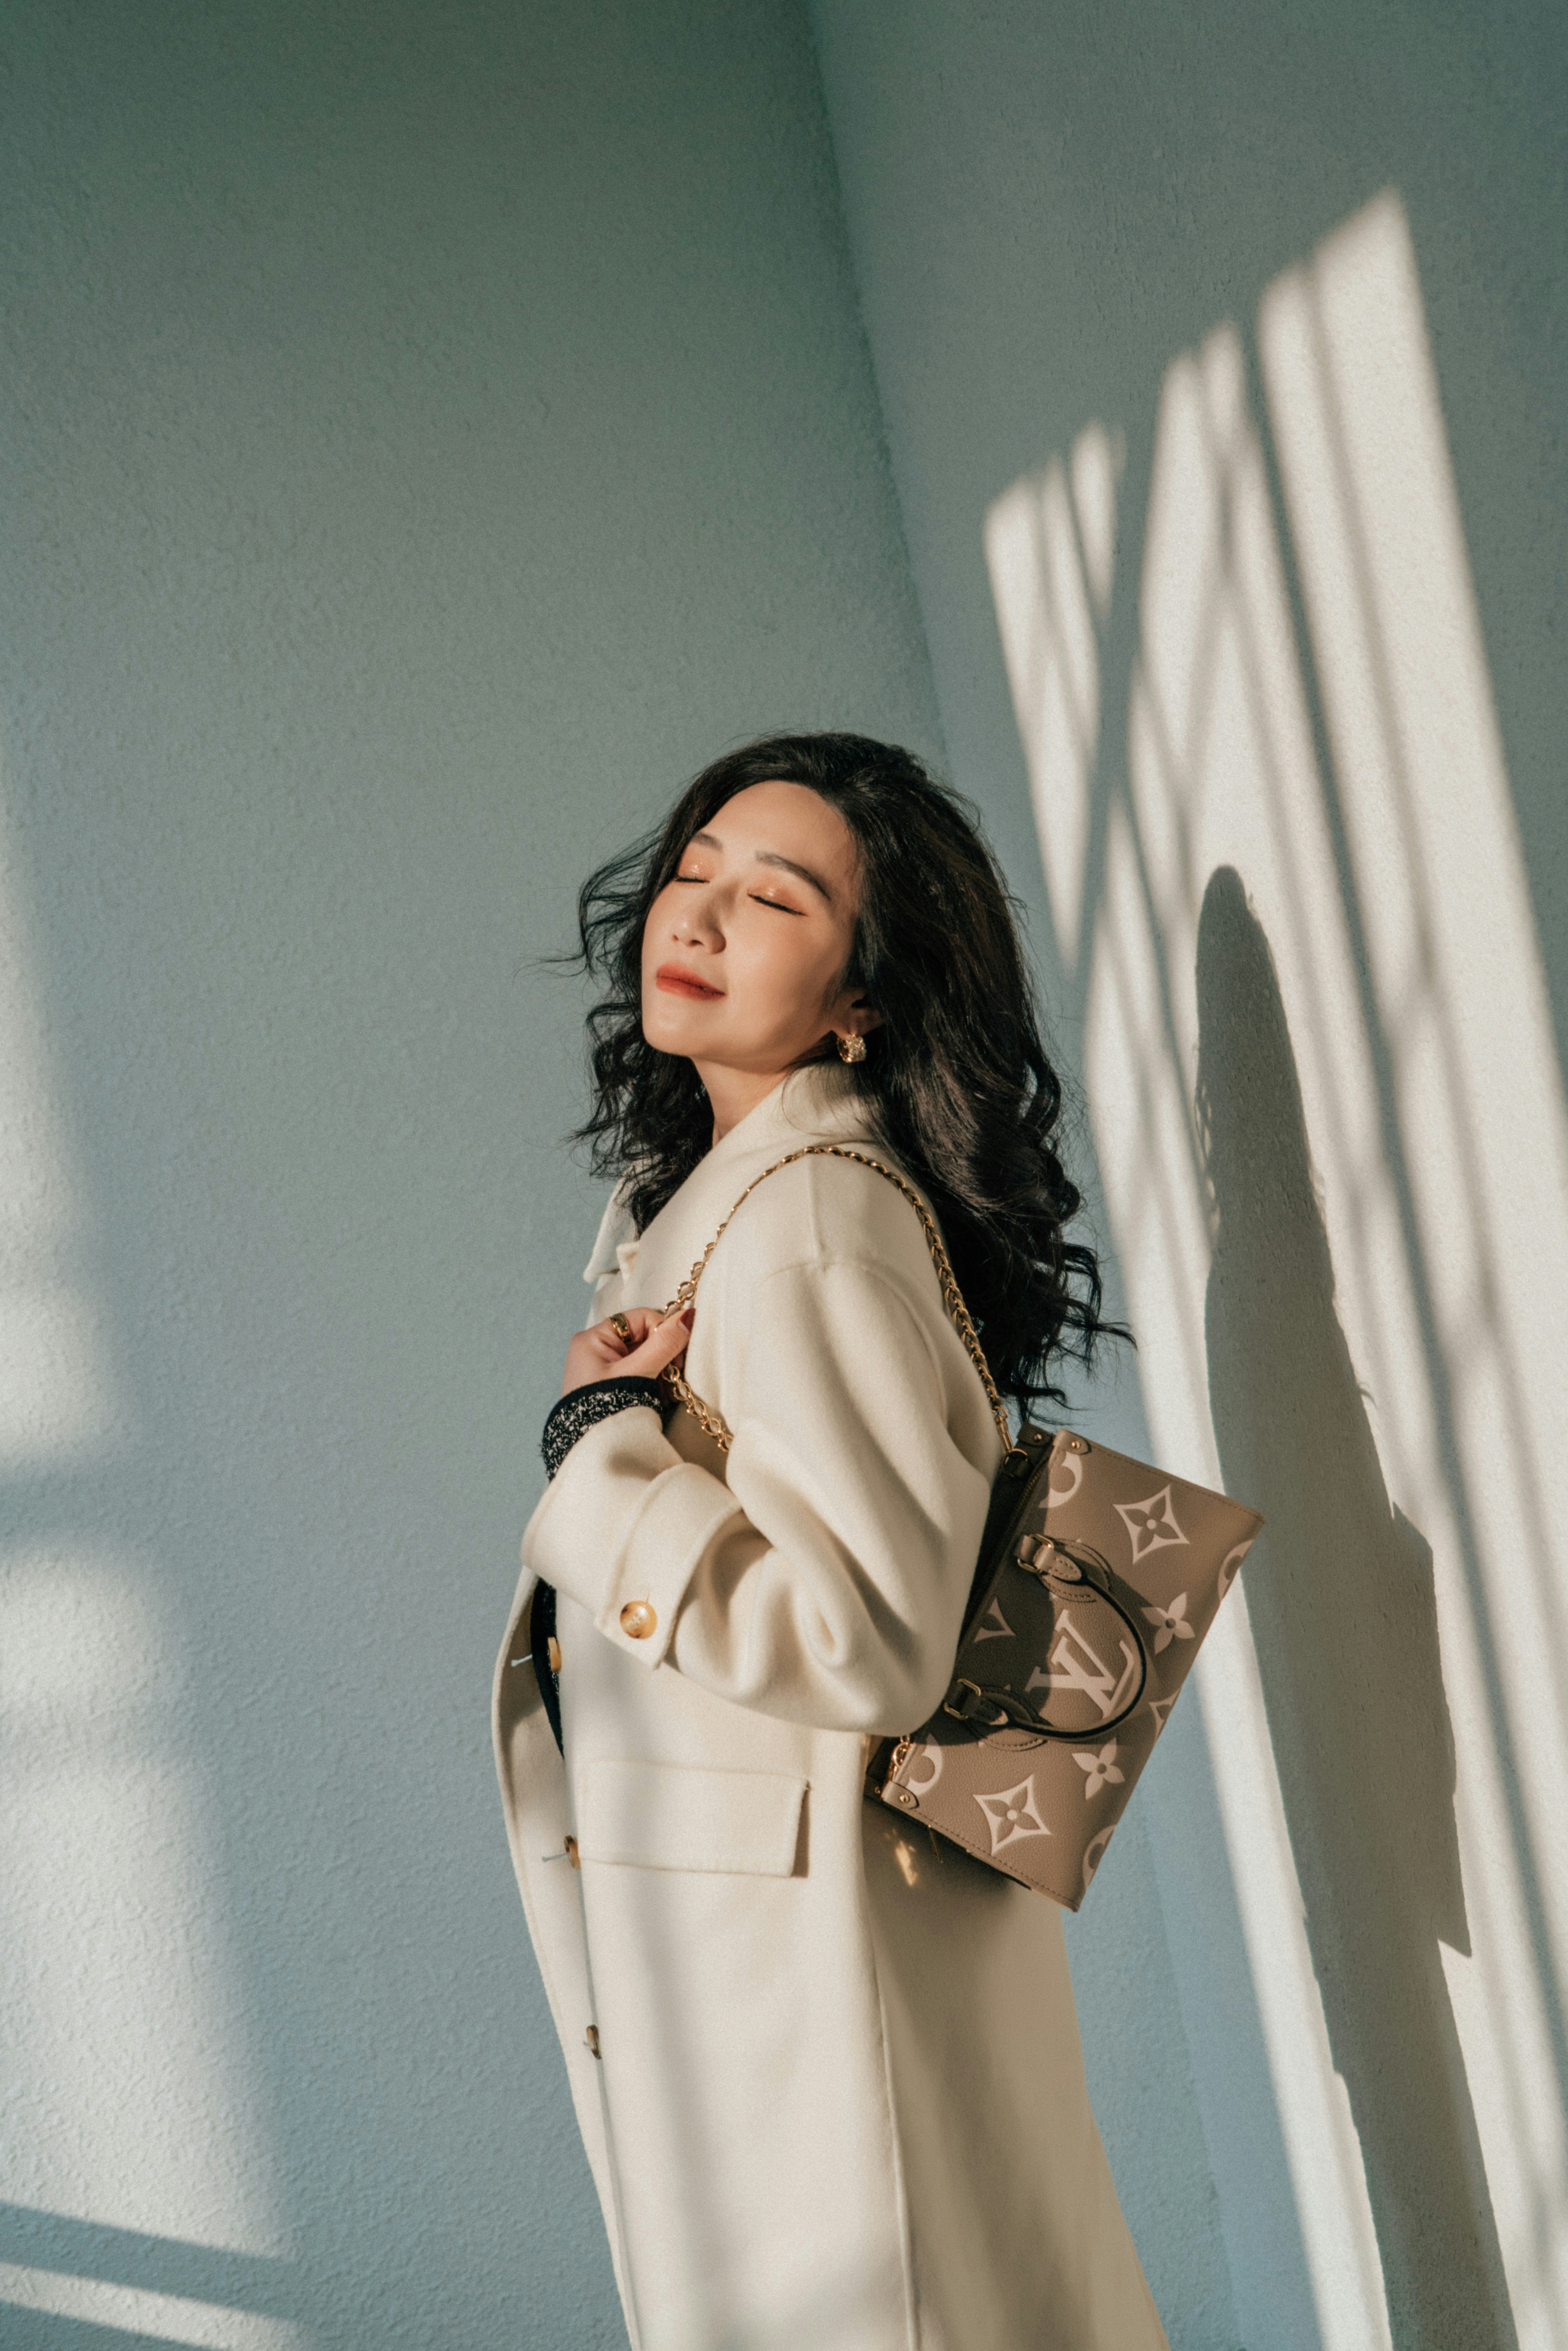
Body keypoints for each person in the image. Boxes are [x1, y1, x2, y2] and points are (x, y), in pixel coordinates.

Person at [493, 733, 1167, 2351]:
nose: (702, 914)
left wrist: (601, 1467)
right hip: (763, 1931)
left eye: (774, 898)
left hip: (802, 1960)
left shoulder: (805, 1216)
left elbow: (870, 1637)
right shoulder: (728, 1189)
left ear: (862, 997)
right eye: (696, 869)